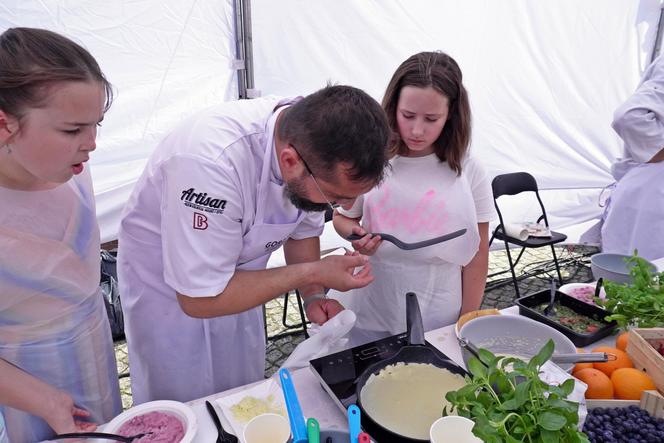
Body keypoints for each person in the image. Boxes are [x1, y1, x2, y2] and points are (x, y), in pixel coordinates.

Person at [117, 85, 390, 404]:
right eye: (336, 197)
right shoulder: (210, 163)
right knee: (184, 409)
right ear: (290, 161)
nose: (344, 205)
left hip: (241, 284)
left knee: (239, 395)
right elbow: (198, 300)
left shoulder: (311, 144)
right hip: (170, 298)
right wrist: (314, 272)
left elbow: (302, 230)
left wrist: (314, 295)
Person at [0, 27, 121, 441]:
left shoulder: (68, 167)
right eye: (72, 130)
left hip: (92, 345)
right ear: (4, 124)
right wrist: (45, 401)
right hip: (23, 381)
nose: (90, 145)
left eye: (96, 125)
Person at [330, 52, 496, 335]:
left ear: (451, 115)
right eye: (408, 115)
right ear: (393, 106)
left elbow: (478, 251)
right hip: (372, 301)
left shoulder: (468, 170)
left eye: (432, 118)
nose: (417, 130)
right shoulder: (372, 157)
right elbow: (342, 218)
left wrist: (468, 316)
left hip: (437, 308)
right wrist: (356, 236)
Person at [599, 55, 664, 260]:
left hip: (649, 197)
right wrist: (658, 149)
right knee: (641, 281)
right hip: (651, 199)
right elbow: (629, 116)